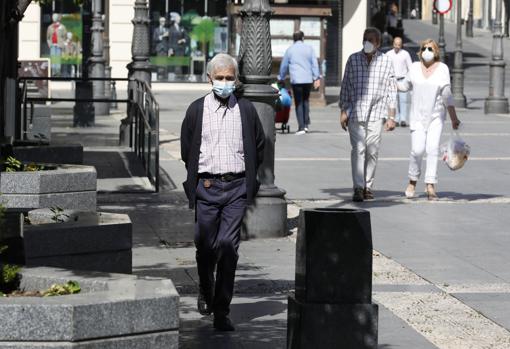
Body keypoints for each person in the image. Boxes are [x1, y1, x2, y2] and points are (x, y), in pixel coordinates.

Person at [180, 53, 265, 331]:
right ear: (209, 79)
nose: (225, 82)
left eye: (230, 78)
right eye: (220, 78)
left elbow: (258, 145)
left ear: (236, 79)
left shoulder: (246, 109)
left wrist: (248, 179)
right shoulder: (196, 110)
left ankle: (221, 309)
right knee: (205, 247)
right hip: (206, 187)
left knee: (229, 248)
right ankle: (206, 287)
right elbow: (186, 149)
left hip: (236, 188)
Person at [397, 39, 461, 200]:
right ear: (420, 51)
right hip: (417, 117)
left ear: (436, 52)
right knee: (417, 150)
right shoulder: (414, 68)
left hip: (436, 116)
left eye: (430, 49)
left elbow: (447, 94)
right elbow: (404, 86)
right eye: (424, 48)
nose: (427, 51)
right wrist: (390, 81)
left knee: (432, 149)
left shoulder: (442, 69)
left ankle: (430, 185)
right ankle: (412, 180)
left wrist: (454, 117)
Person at [339, 27, 397, 202]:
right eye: (365, 39)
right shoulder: (353, 59)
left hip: (376, 112)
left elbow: (391, 90)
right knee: (358, 149)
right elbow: (346, 86)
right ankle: (358, 187)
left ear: (378, 43)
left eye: (371, 40)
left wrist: (391, 116)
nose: (367, 43)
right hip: (356, 112)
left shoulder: (386, 61)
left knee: (372, 149)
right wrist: (343, 111)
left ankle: (368, 185)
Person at [277, 31, 321, 135]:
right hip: (307, 79)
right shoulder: (309, 49)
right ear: (303, 38)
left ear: (294, 38)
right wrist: (316, 77)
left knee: (299, 102)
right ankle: (305, 125)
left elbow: (284, 65)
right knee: (306, 101)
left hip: (296, 80)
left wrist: (281, 77)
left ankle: (301, 127)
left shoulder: (290, 50)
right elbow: (314, 63)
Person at [385, 36, 413, 127]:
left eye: (399, 45)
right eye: (396, 44)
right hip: (392, 80)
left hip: (403, 79)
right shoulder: (388, 54)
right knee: (394, 101)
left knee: (404, 100)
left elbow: (410, 68)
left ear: (401, 45)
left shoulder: (405, 54)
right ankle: (396, 119)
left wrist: (409, 79)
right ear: (393, 44)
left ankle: (403, 119)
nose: (397, 46)